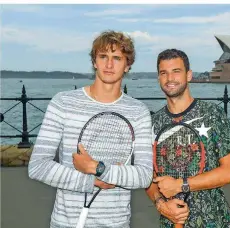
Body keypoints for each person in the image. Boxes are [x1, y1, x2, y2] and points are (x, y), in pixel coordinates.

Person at [28, 30, 153, 228]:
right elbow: (38, 167)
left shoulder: (138, 112)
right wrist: (92, 181)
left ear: (128, 65)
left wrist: (97, 168)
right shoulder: (63, 103)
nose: (109, 65)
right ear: (94, 61)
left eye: (117, 58)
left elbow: (145, 175)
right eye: (103, 56)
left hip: (116, 223)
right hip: (65, 222)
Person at [146, 49, 230, 227]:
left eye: (176, 71)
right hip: (170, 221)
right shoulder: (153, 123)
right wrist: (161, 204)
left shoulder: (212, 114)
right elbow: (149, 176)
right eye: (163, 73)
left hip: (213, 220)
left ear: (189, 75)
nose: (170, 79)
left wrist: (181, 185)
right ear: (158, 78)